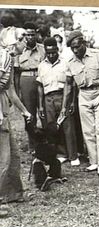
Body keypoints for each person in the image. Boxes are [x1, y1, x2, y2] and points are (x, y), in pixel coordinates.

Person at [60, 31, 99, 177]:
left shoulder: (97, 54)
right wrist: (64, 106)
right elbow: (68, 84)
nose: (75, 50)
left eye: (77, 47)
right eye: (72, 48)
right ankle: (94, 161)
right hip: (84, 95)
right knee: (88, 130)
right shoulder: (70, 62)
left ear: (83, 43)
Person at [36, 37, 80, 166]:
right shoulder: (41, 65)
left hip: (62, 96)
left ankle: (73, 155)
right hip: (48, 98)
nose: (51, 55)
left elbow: (70, 84)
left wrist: (70, 103)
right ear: (45, 51)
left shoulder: (65, 63)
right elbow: (39, 86)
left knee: (68, 126)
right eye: (48, 53)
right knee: (53, 128)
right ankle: (62, 153)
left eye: (53, 52)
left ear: (57, 50)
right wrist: (41, 106)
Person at [0, 47, 32, 205]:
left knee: (13, 155)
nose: (23, 42)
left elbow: (11, 90)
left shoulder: (9, 60)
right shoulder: (3, 57)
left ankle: (11, 193)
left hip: (4, 110)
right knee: (3, 158)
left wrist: (25, 111)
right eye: (20, 39)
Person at [14, 22, 45, 153]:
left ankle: (47, 142)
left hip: (41, 79)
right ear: (24, 35)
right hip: (25, 80)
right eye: (27, 35)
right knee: (29, 114)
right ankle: (33, 144)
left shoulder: (42, 49)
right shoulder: (18, 49)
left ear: (36, 34)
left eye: (32, 34)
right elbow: (16, 73)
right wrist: (17, 91)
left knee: (44, 113)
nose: (30, 37)